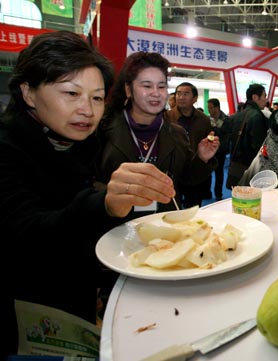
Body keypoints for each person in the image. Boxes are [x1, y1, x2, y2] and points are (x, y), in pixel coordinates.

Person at [0, 31, 177, 358]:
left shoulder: (80, 143)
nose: (87, 109)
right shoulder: (7, 149)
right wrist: (105, 203)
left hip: (75, 303)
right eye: (71, 93)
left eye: (96, 98)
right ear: (28, 92)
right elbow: (28, 232)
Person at [96, 52, 219, 215]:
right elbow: (89, 184)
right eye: (147, 86)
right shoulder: (103, 129)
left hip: (164, 224)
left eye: (161, 86)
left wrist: (202, 158)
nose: (156, 92)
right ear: (128, 90)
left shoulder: (176, 133)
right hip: (117, 227)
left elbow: (187, 178)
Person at [167, 82, 214, 207]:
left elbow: (209, 141)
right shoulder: (166, 117)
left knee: (193, 208)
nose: (181, 97)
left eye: (186, 94)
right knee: (171, 208)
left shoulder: (203, 119)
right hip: (172, 171)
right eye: (178, 93)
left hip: (195, 170)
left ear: (194, 99)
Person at [226, 83, 268, 188]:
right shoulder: (257, 116)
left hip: (236, 164)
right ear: (255, 97)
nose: (266, 100)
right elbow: (257, 145)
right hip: (249, 165)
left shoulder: (237, 115)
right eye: (264, 96)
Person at [207, 98, 231, 201]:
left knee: (219, 173)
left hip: (220, 151)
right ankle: (207, 192)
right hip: (208, 149)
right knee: (206, 172)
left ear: (217, 108)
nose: (209, 110)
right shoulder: (208, 119)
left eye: (211, 108)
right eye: (208, 108)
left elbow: (226, 136)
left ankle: (218, 193)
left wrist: (216, 129)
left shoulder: (226, 120)